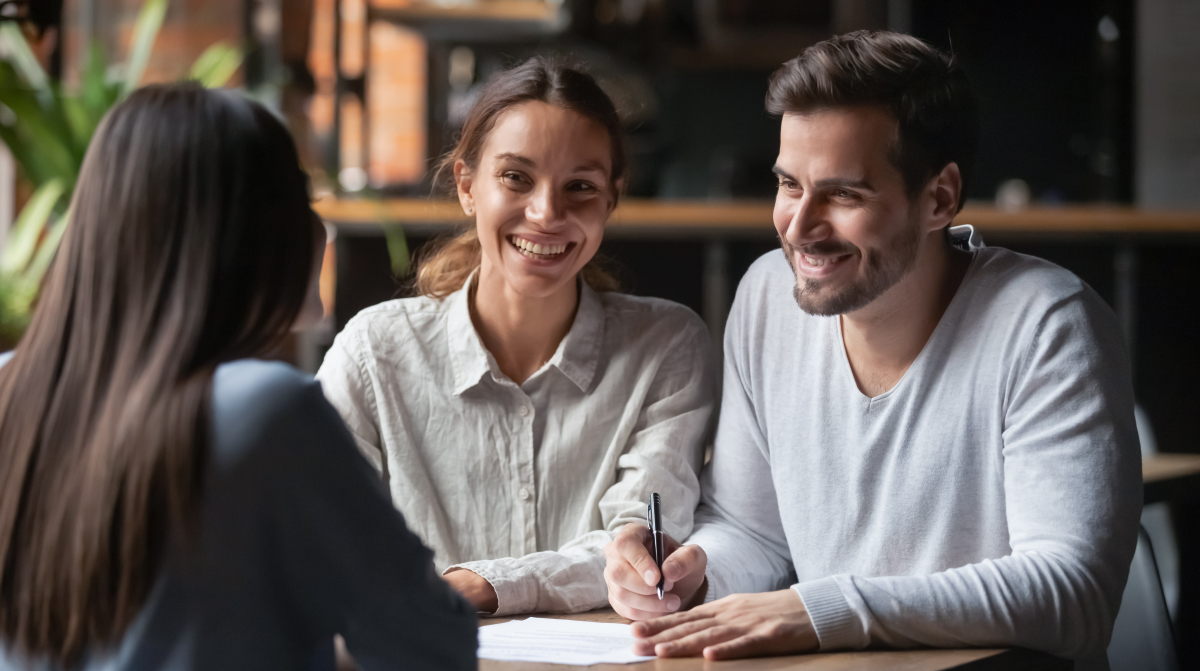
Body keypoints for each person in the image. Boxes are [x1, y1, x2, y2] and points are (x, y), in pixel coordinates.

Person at [603, 31, 1141, 670]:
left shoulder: (1048, 324)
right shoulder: (766, 298)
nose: (799, 228)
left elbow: (1071, 594)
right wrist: (697, 575)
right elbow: (752, 530)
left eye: (843, 195)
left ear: (939, 197)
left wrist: (822, 609)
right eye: (789, 186)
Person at [0, 84, 476, 670]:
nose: (319, 230)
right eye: (301, 200)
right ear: (246, 234)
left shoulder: (10, 391)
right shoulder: (266, 411)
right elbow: (430, 645)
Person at [316, 57, 717, 616]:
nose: (547, 212)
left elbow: (637, 553)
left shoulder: (666, 346)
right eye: (515, 177)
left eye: (580, 186)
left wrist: (484, 585)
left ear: (611, 201)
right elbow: (322, 542)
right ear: (466, 186)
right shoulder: (373, 354)